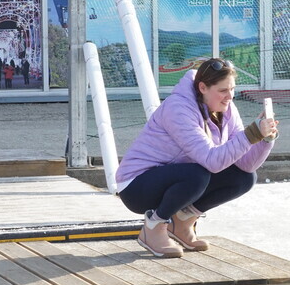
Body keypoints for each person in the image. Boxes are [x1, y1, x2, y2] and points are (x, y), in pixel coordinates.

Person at [116, 58, 278, 258]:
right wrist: (251, 134)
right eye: (223, 90)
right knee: (198, 174)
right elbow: (211, 160)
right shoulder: (178, 108)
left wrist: (264, 139)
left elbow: (245, 164)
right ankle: (153, 225)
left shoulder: (226, 109)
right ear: (202, 87)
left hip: (177, 176)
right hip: (136, 186)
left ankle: (183, 221)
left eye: (232, 89)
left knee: (244, 178)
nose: (230, 96)